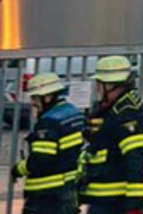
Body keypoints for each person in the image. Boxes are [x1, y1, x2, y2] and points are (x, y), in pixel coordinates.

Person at [9, 73, 86, 214]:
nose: (32, 102)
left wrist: (19, 169)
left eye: (35, 97)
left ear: (47, 96)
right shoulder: (73, 113)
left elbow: (41, 159)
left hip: (47, 196)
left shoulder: (49, 121)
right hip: (70, 189)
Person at [81, 56, 143, 214]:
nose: (97, 88)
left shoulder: (126, 113)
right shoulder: (113, 107)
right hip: (103, 197)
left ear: (111, 85)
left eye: (99, 83)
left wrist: (134, 206)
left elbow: (137, 160)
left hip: (114, 200)